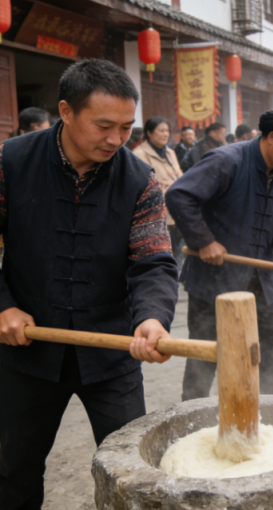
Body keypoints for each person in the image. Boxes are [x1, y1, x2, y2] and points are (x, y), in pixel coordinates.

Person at [0, 59, 179, 510]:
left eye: (125, 127)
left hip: (111, 352)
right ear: (65, 110)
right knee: (12, 468)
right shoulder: (11, 162)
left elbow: (153, 260)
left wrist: (153, 318)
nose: (117, 140)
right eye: (104, 125)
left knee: (134, 473)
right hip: (26, 352)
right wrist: (3, 304)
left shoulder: (140, 181)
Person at [166, 105, 273, 399]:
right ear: (272, 137)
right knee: (205, 358)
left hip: (259, 285)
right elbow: (179, 195)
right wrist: (204, 240)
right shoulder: (227, 160)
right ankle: (191, 421)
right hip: (212, 284)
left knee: (271, 354)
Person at [133, 116, 184, 261]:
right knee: (163, 253)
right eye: (161, 131)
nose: (165, 134)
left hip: (177, 209)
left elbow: (180, 175)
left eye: (167, 131)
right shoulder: (139, 154)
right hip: (158, 213)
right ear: (149, 133)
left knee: (178, 252)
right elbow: (143, 188)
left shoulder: (169, 152)